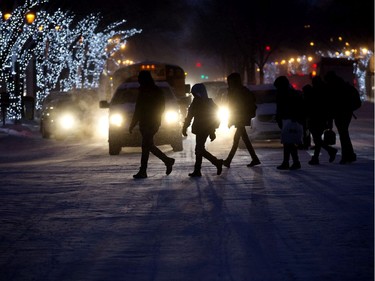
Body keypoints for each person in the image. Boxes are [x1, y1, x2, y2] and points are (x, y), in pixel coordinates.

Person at [129, 70, 175, 178]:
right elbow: (138, 109)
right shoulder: (147, 91)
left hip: (151, 122)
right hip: (147, 122)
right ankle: (167, 161)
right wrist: (133, 123)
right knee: (147, 146)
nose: (139, 81)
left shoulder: (153, 91)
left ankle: (144, 170)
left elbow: (159, 108)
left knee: (146, 145)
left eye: (140, 78)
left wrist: (154, 117)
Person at [182, 83, 223, 177]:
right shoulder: (201, 102)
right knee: (199, 149)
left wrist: (212, 131)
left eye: (195, 94)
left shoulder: (204, 103)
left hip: (204, 129)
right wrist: (185, 127)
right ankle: (199, 169)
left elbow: (214, 118)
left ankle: (216, 162)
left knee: (199, 149)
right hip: (201, 129)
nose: (194, 96)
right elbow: (190, 116)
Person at [222, 72, 260, 168]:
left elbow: (235, 107)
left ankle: (228, 160)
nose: (228, 83)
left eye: (229, 81)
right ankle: (254, 158)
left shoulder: (237, 92)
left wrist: (231, 120)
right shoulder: (239, 91)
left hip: (240, 118)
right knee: (244, 139)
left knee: (237, 140)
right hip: (241, 118)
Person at [303, 76, 337, 165]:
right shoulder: (325, 91)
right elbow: (329, 107)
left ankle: (329, 151)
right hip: (322, 118)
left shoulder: (314, 92)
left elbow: (309, 106)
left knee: (317, 139)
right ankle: (316, 157)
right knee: (317, 139)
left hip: (315, 118)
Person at [324, 71, 357, 164]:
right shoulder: (343, 84)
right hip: (347, 112)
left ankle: (346, 156)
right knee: (344, 134)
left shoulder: (333, 87)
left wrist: (329, 119)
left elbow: (331, 104)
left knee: (343, 135)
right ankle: (350, 155)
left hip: (340, 113)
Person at [274, 76, 304, 170]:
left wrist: (279, 118)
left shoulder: (282, 94)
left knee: (288, 142)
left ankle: (290, 162)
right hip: (292, 119)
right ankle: (292, 162)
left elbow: (280, 108)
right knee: (289, 142)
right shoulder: (292, 93)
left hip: (287, 119)